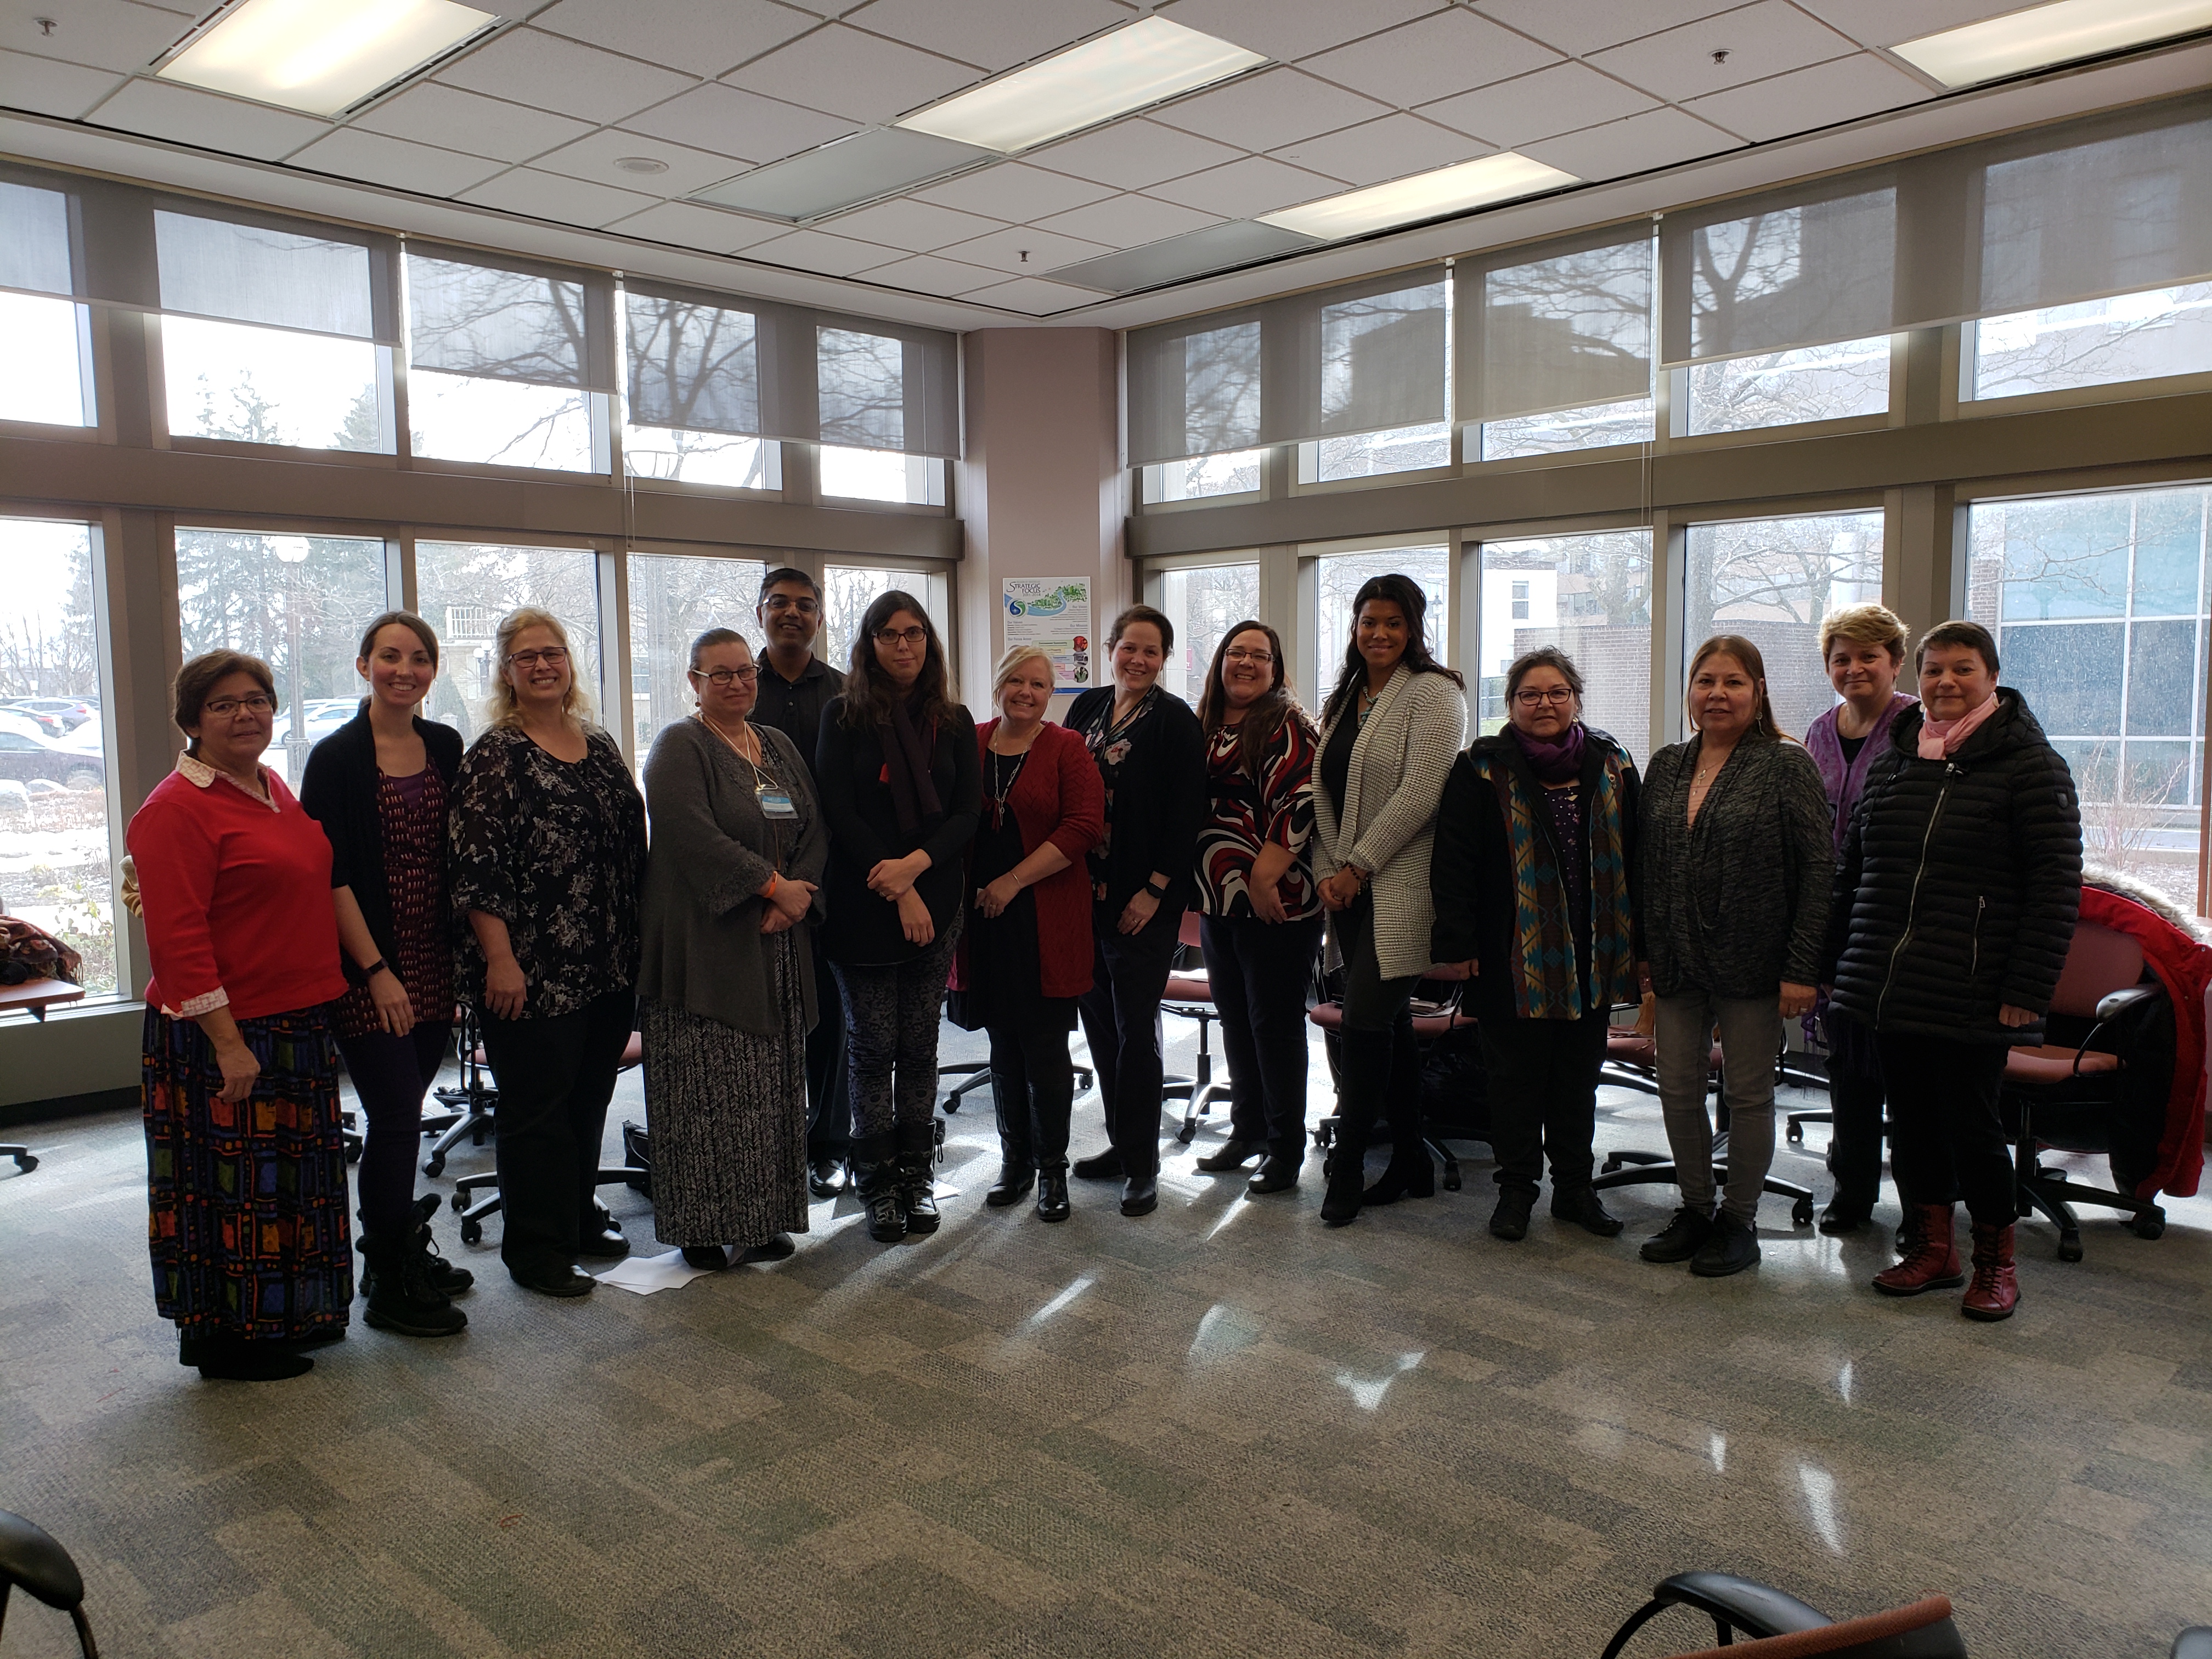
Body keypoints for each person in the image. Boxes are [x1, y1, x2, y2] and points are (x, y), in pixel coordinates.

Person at [1825, 620, 2081, 1322]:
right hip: (1888, 982)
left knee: (1973, 1127)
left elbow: (2056, 888)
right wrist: (1837, 966)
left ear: (1992, 677)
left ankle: (1998, 1263)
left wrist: (2025, 992)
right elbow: (1855, 873)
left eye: (1962, 669)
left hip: (1975, 986)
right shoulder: (1898, 759)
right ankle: (1934, 1250)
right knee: (1910, 1124)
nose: (1945, 682)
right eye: (1935, 670)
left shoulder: (2032, 765)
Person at [129, 651, 352, 1381]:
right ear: (193, 720)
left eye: (257, 699)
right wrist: (227, 1042)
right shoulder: (173, 809)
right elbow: (179, 941)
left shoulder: (269, 787)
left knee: (289, 1184)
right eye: (224, 704)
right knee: (231, 1196)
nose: (245, 713)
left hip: (294, 1020)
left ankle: (285, 1316)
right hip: (221, 1032)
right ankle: (225, 1341)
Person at [449, 607, 646, 1299]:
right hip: (529, 972)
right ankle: (535, 1250)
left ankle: (577, 1214)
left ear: (569, 664)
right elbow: (478, 869)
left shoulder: (598, 744)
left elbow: (632, 850)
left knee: (590, 1099)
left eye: (553, 654)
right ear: (506, 671)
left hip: (607, 963)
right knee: (538, 1111)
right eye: (527, 656)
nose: (542, 666)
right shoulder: (495, 755)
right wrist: (499, 960)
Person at [1431, 646, 1641, 1244]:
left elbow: (1638, 853)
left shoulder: (1614, 760)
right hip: (1509, 952)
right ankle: (1517, 1190)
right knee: (1514, 1081)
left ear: (1576, 698)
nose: (1544, 703)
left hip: (1595, 952)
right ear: (1512, 704)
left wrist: (1643, 946)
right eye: (1530, 694)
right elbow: (1454, 861)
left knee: (1579, 1079)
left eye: (1556, 692)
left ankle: (1575, 1190)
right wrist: (1460, 941)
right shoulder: (1480, 766)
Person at [1638, 635, 1833, 1278]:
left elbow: (1817, 872)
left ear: (1758, 693)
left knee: (1749, 1095)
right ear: (1691, 693)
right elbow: (1647, 866)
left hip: (1755, 962)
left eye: (1733, 682)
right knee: (1677, 1089)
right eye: (1705, 681)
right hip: (1676, 961)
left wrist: (1803, 968)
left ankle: (1739, 1220)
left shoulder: (1785, 763)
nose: (1717, 694)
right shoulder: (1666, 764)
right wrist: (1645, 959)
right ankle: (1696, 1209)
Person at [299, 611, 469, 1340]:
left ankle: (396, 1249)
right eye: (390, 656)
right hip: (368, 962)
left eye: (419, 658)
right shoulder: (335, 757)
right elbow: (329, 873)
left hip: (436, 957)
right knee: (397, 1116)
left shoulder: (445, 744)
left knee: (408, 1106)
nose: (406, 669)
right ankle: (388, 1280)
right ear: (364, 663)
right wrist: (374, 971)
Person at [639, 628, 825, 1271]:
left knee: (769, 1091)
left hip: (777, 944)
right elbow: (689, 833)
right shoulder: (678, 746)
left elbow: (813, 826)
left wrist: (795, 896)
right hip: (707, 947)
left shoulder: (775, 745)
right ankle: (702, 1226)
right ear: (694, 682)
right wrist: (772, 886)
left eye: (746, 671)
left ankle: (764, 1216)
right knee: (705, 1093)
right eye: (720, 674)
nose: (738, 683)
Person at [815, 592, 980, 1245]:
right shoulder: (843, 716)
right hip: (863, 902)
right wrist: (898, 881)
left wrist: (916, 869)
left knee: (920, 1048)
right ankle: (877, 1181)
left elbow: (966, 813)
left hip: (938, 898)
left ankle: (916, 1174)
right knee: (871, 1048)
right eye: (890, 635)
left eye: (914, 634)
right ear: (870, 644)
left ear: (929, 643)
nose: (904, 646)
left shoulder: (956, 721)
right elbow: (840, 811)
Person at [1311, 574, 1466, 1227]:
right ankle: (1411, 1159)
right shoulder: (1347, 697)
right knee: (1393, 1023)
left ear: (1413, 630)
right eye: (1368, 622)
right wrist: (1328, 870)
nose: (1378, 634)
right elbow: (1324, 790)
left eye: (1393, 624)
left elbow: (1420, 792)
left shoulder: (1436, 693)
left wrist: (1357, 866)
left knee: (1367, 1021)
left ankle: (1349, 1167)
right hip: (1346, 891)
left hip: (1402, 885)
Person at [947, 645, 1103, 1223]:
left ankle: (1052, 1170)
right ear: (999, 684)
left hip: (1043, 921)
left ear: (1050, 694)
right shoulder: (973, 739)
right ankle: (1014, 1163)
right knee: (1002, 1047)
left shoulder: (1067, 748)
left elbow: (1084, 827)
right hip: (983, 924)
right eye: (1016, 680)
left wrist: (1012, 881)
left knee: (1044, 1051)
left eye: (1039, 684)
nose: (1027, 692)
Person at [1064, 605, 1207, 1219]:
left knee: (1137, 1034)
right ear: (1111, 647)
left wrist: (1154, 890)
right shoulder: (1087, 708)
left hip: (1144, 902)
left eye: (1151, 652)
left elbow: (1186, 814)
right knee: (1099, 1025)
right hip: (1084, 896)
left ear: (1164, 659)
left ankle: (1144, 1167)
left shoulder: (1176, 722)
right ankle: (1122, 1145)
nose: (1138, 660)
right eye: (1129, 648)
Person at [1190, 622, 1324, 1196]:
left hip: (1276, 901)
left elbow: (1300, 802)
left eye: (1259, 656)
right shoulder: (1205, 724)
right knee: (1236, 1019)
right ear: (1221, 660)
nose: (1246, 663)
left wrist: (1265, 879)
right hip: (1219, 899)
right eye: (1236, 653)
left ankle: (1285, 1149)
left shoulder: (1286, 721)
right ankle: (1247, 1132)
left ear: (1275, 668)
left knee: (1274, 1025)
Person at [1802, 603, 1917, 1234]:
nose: (1854, 668)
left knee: (1903, 1067)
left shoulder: (1921, 728)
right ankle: (1853, 1193)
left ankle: (1922, 1205)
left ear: (1896, 663)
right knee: (1848, 1066)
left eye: (1869, 656)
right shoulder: (1820, 731)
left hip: (1900, 918)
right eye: (1841, 658)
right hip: (1834, 914)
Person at [751, 567, 851, 1201]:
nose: (793, 614)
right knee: (763, 1019)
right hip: (756, 887)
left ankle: (829, 1145)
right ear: (759, 611)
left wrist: (808, 879)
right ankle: (768, 1143)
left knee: (830, 1018)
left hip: (831, 881)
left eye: (805, 606)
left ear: (819, 618)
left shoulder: (846, 693)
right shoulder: (736, 686)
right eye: (780, 604)